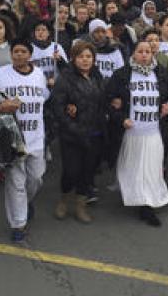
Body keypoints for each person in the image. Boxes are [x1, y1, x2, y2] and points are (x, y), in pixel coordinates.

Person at [106, 41, 168, 227]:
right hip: (131, 134)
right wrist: (121, 118)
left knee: (151, 169)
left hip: (154, 132)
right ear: (134, 54)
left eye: (148, 51)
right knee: (133, 168)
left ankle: (147, 206)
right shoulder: (122, 75)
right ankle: (135, 196)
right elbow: (108, 100)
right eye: (140, 51)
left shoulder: (161, 73)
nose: (145, 55)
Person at [0, 38, 51, 242]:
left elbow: (45, 97)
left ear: (30, 55)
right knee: (16, 184)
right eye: (15, 51)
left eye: (23, 51)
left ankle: (26, 203)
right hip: (12, 139)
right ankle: (18, 224)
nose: (19, 55)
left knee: (36, 178)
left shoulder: (39, 74)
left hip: (36, 138)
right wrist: (0, 106)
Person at [51, 41, 106, 224]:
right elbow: (57, 108)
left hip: (94, 134)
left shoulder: (97, 76)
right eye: (81, 56)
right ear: (73, 58)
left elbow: (102, 100)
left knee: (87, 172)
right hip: (72, 135)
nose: (85, 60)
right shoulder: (65, 79)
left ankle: (81, 205)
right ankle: (64, 199)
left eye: (89, 56)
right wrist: (72, 123)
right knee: (71, 171)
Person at [30, 20, 69, 87]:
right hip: (36, 85)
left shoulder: (57, 47)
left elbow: (66, 69)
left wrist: (60, 60)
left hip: (56, 85)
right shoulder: (29, 48)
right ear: (34, 33)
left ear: (48, 33)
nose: (40, 32)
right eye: (37, 30)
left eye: (43, 30)